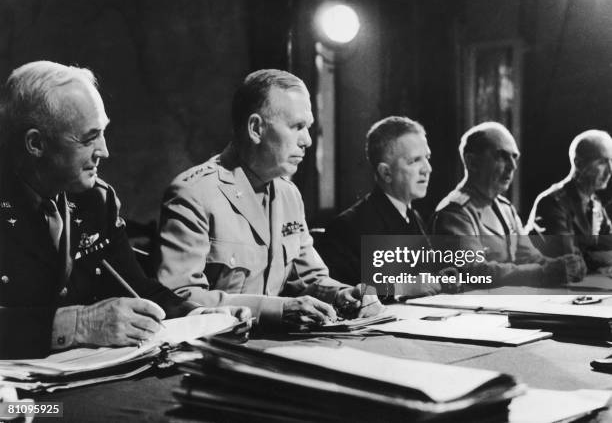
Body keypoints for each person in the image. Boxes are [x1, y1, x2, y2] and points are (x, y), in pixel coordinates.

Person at [0, 61, 249, 359]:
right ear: (36, 143)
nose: (104, 151)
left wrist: (205, 316)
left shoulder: (95, 201)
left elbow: (136, 287)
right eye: (89, 138)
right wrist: (79, 324)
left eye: (103, 133)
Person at [157, 69, 383, 327]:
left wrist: (344, 295)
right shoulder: (194, 194)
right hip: (213, 351)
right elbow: (178, 298)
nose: (307, 140)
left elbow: (310, 279)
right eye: (297, 127)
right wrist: (274, 310)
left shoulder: (288, 195)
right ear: (256, 128)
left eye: (308, 128)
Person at [431, 121, 586, 286]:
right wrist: (544, 273)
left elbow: (528, 256)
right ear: (472, 162)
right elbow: (474, 271)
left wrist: (564, 265)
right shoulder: (455, 213)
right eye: (502, 156)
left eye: (514, 157)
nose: (512, 166)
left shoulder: (506, 209)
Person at [318, 116, 442, 296]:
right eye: (414, 161)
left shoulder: (413, 217)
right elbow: (346, 294)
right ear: (386, 172)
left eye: (427, 158)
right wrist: (402, 288)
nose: (427, 168)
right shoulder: (349, 227)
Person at [526, 130, 612, 271]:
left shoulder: (595, 204)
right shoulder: (553, 202)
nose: (610, 170)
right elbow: (569, 260)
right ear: (578, 163)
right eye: (602, 162)